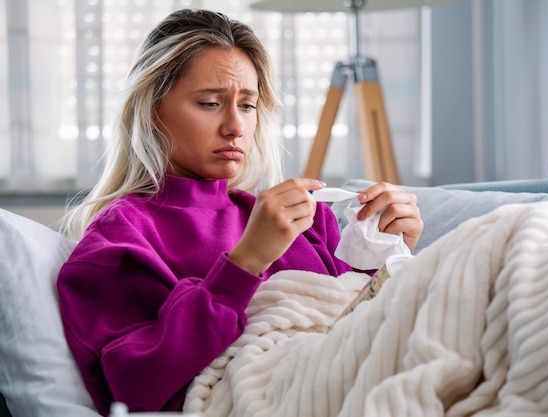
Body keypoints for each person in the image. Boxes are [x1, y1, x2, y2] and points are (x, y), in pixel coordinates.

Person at [56, 8, 423, 415]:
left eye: (247, 106)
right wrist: (246, 262)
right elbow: (134, 387)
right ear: (152, 110)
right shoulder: (121, 237)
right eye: (210, 103)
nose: (235, 126)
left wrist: (391, 255)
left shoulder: (306, 219)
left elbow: (355, 325)